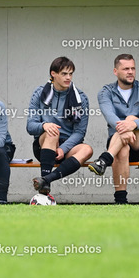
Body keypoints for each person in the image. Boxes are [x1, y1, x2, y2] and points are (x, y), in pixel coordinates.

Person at [88, 54, 139, 204]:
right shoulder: (105, 92)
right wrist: (125, 129)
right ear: (115, 71)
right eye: (126, 69)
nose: (130, 72)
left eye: (133, 68)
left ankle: (104, 159)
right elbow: (110, 117)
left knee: (131, 118)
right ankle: (120, 201)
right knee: (122, 148)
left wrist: (132, 125)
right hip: (119, 145)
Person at [27, 57, 93, 198]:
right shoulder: (39, 93)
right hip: (44, 145)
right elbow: (30, 126)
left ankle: (46, 180)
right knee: (53, 132)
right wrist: (44, 125)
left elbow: (80, 132)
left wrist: (63, 149)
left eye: (71, 74)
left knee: (87, 149)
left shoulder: (81, 98)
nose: (68, 77)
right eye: (64, 74)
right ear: (53, 74)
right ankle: (44, 193)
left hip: (67, 147)